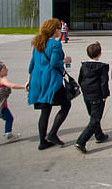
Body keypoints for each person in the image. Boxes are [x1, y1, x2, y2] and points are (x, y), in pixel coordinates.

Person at [27, 18, 72, 150]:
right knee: (66, 105)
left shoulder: (38, 43)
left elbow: (32, 64)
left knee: (45, 110)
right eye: (58, 28)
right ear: (54, 30)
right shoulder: (55, 44)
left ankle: (42, 141)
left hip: (38, 80)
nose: (60, 30)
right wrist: (65, 60)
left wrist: (29, 80)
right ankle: (52, 133)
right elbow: (54, 63)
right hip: (50, 81)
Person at [74, 42, 110, 154]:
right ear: (100, 53)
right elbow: (104, 82)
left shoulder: (84, 66)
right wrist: (105, 95)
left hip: (87, 94)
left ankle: (99, 135)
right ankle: (81, 141)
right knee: (95, 119)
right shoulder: (102, 67)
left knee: (93, 115)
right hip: (97, 95)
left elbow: (80, 79)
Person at [0, 61, 25, 143]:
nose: (7, 69)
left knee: (8, 118)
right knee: (9, 118)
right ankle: (8, 134)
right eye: (4, 68)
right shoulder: (1, 80)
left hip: (1, 106)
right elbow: (12, 86)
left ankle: (8, 133)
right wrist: (24, 87)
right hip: (1, 107)